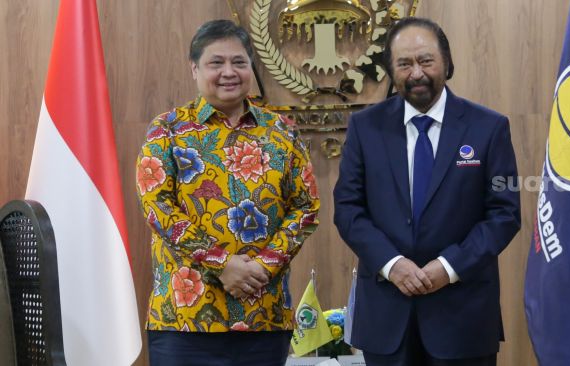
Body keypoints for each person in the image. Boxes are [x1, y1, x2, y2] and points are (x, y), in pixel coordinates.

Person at [333, 17, 521, 366]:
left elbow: (504, 214)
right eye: (404, 63)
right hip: (386, 318)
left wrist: (448, 267)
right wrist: (393, 265)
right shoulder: (364, 127)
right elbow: (347, 208)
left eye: (425, 60)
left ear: (447, 64)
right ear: (391, 70)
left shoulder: (489, 128)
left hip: (463, 316)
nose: (415, 73)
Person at [136, 19, 320, 366]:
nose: (228, 72)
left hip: (263, 316)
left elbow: (306, 207)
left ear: (251, 67)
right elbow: (157, 207)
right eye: (215, 63)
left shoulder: (281, 131)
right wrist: (221, 264)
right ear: (194, 68)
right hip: (185, 320)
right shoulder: (168, 130)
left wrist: (265, 265)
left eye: (239, 62)